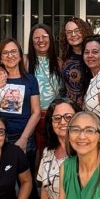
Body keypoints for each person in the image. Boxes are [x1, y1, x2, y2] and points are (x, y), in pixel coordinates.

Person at [0, 37, 41, 155]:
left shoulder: (30, 80)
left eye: (13, 51)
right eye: (5, 53)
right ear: (1, 59)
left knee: (25, 172)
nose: (10, 56)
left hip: (25, 136)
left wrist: (24, 138)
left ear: (20, 56)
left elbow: (36, 112)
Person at [28, 23, 63, 156]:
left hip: (55, 115)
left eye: (44, 36)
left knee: (55, 151)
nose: (41, 40)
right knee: (38, 153)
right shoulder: (26, 61)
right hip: (34, 116)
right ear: (32, 41)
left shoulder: (59, 62)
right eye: (36, 38)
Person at [60, 17, 91, 107]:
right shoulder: (65, 58)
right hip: (70, 109)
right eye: (69, 32)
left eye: (77, 30)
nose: (73, 35)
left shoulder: (94, 56)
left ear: (84, 31)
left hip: (92, 109)